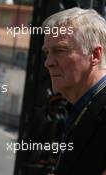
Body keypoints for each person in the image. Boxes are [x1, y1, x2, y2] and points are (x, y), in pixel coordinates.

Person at [42, 7, 106, 175]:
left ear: (95, 54)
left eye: (60, 51)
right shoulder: (81, 108)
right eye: (47, 53)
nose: (48, 62)